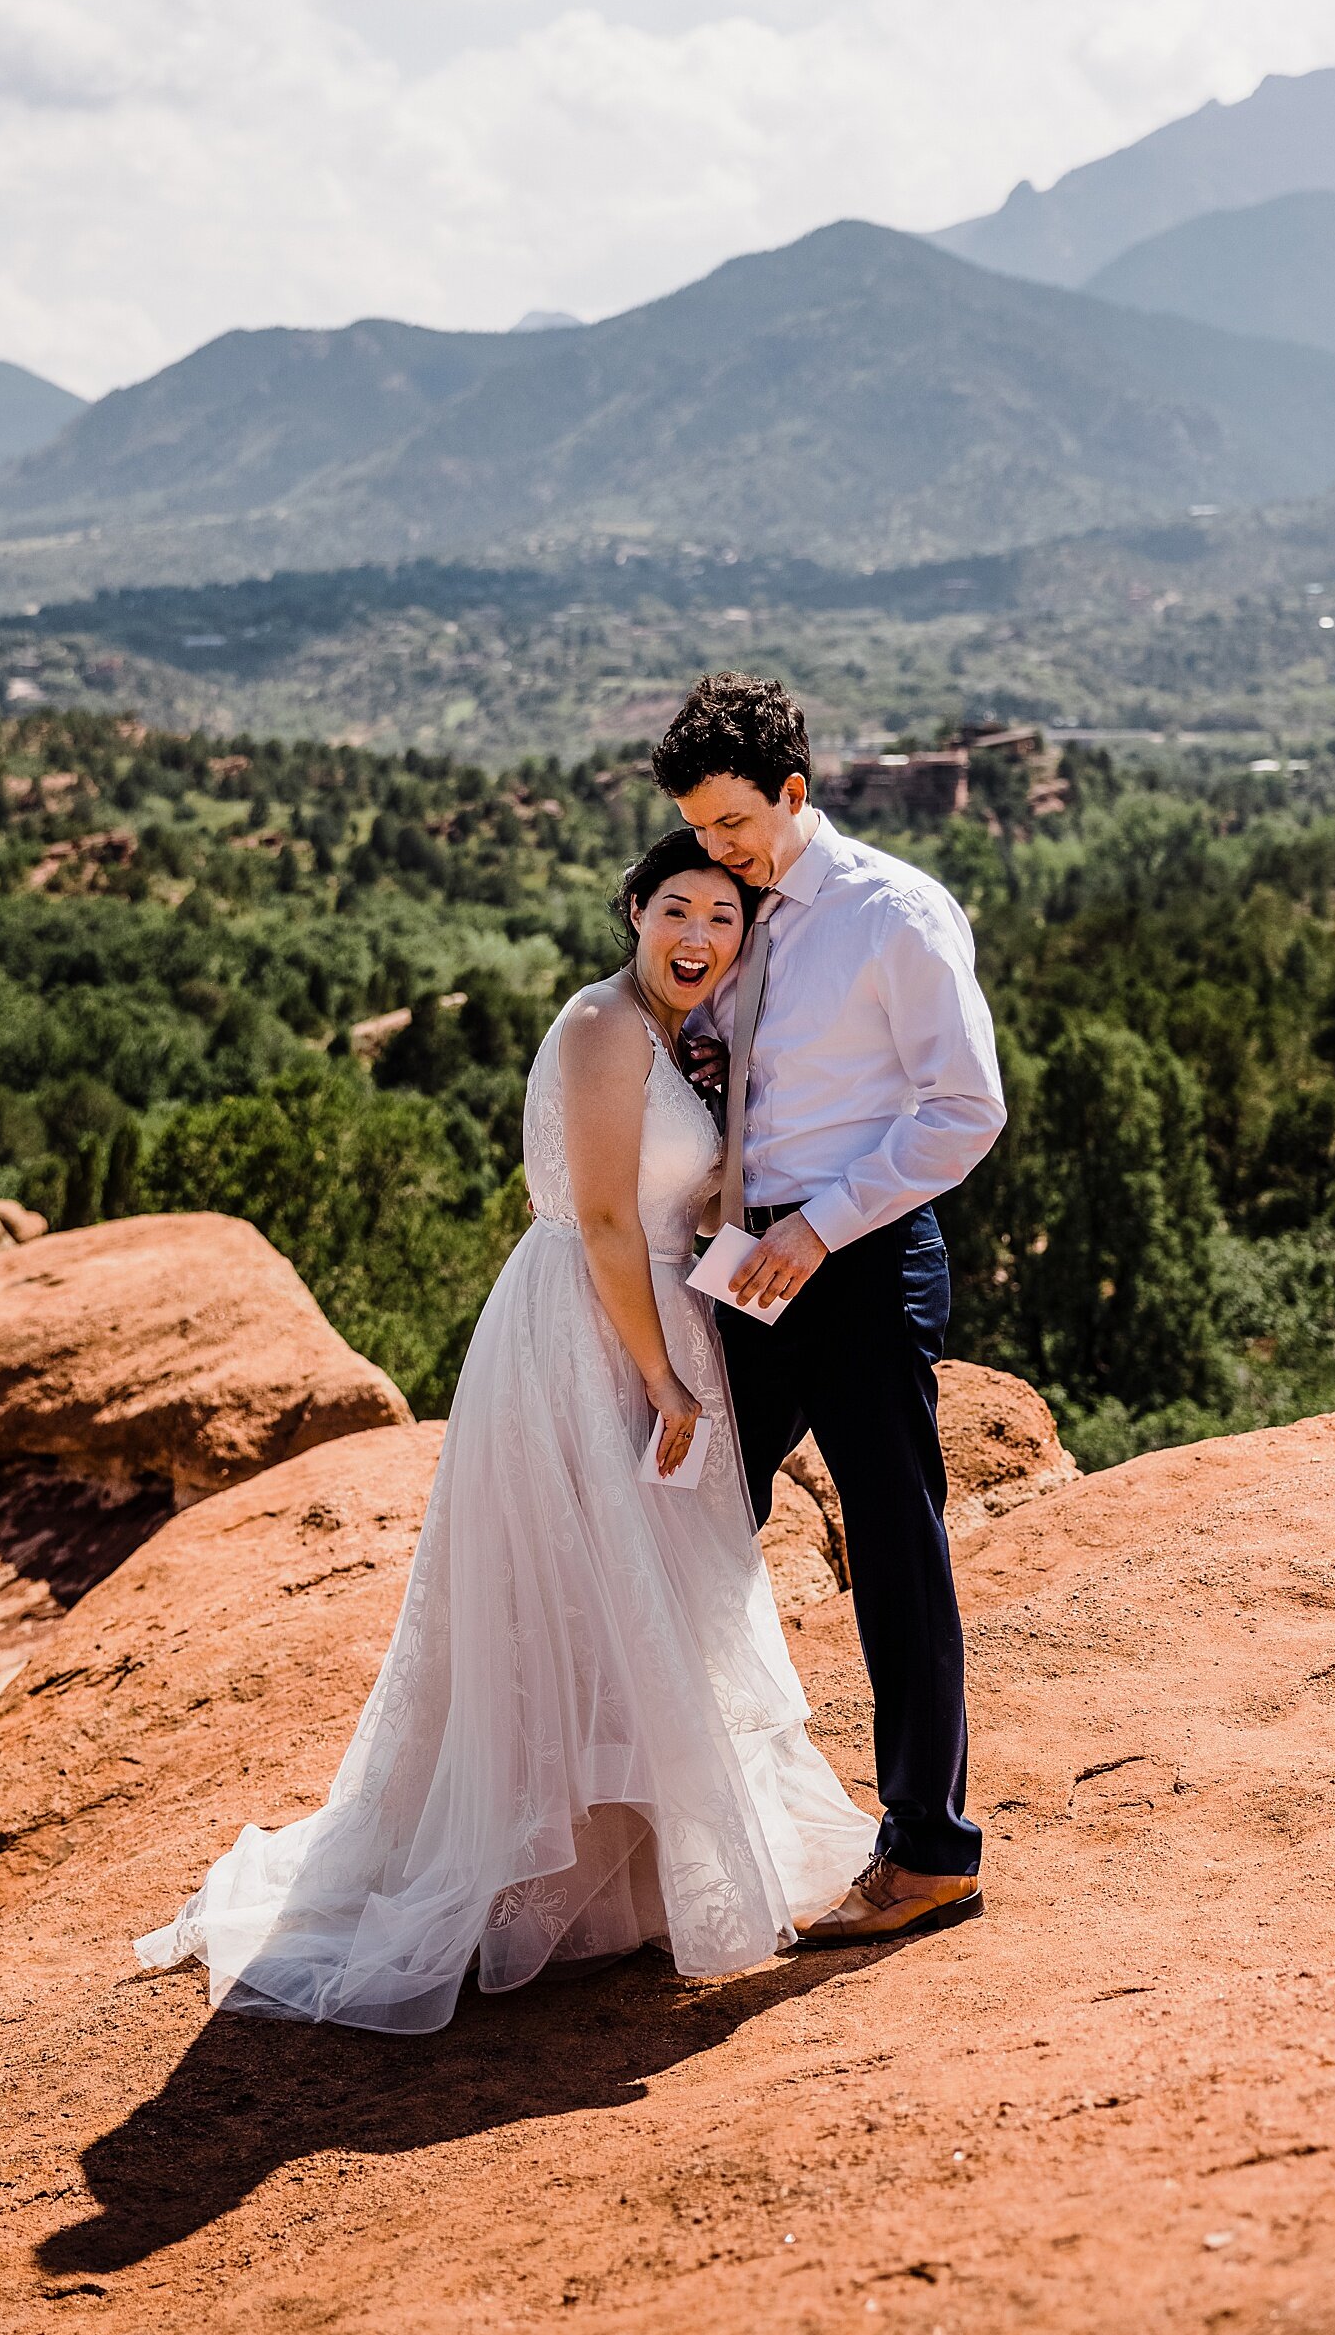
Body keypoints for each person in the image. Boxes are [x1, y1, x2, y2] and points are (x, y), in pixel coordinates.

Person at [135, 828, 874, 2035]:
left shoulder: (694, 1037)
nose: (699, 935)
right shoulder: (599, 1027)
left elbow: (698, 1200)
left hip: (666, 1318)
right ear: (632, 909)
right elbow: (598, 1218)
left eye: (725, 916)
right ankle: (531, 1872)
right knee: (575, 1584)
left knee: (652, 1595)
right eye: (676, 908)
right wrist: (665, 1384)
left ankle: (632, 1869)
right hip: (588, 1330)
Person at [654, 672, 1006, 1946]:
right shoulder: (732, 910)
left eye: (735, 824)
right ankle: (667, 1821)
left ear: (796, 793)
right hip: (751, 1258)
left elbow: (967, 1108)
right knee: (683, 1504)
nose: (716, 849)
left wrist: (819, 1224)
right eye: (699, 828)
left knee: (893, 1540)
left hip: (855, 1258)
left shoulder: (893, 913)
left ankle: (931, 1848)